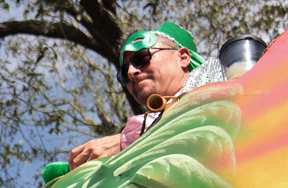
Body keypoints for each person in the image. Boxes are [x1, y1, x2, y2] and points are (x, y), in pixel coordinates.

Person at [68, 22, 225, 170]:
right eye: (123, 73)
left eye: (142, 58)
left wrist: (127, 142)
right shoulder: (141, 129)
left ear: (182, 57)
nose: (131, 73)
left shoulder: (225, 78)